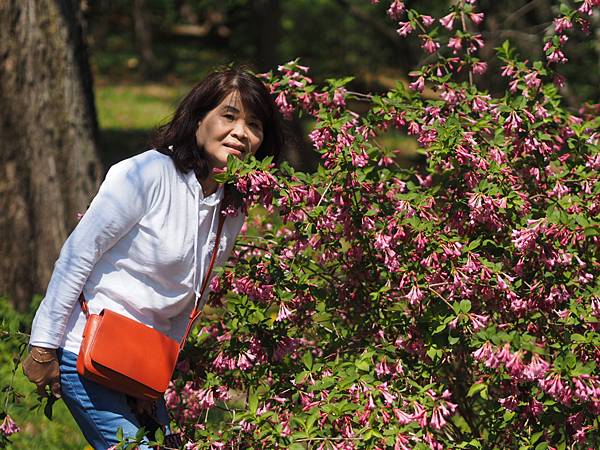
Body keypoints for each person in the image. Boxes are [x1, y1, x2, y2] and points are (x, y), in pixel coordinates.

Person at [21, 66, 283, 449]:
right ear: (198, 120)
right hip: (85, 352)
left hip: (138, 364)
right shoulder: (146, 174)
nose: (241, 133)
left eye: (255, 124)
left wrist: (153, 381)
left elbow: (193, 298)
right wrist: (44, 345)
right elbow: (77, 256)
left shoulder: (231, 208)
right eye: (229, 115)